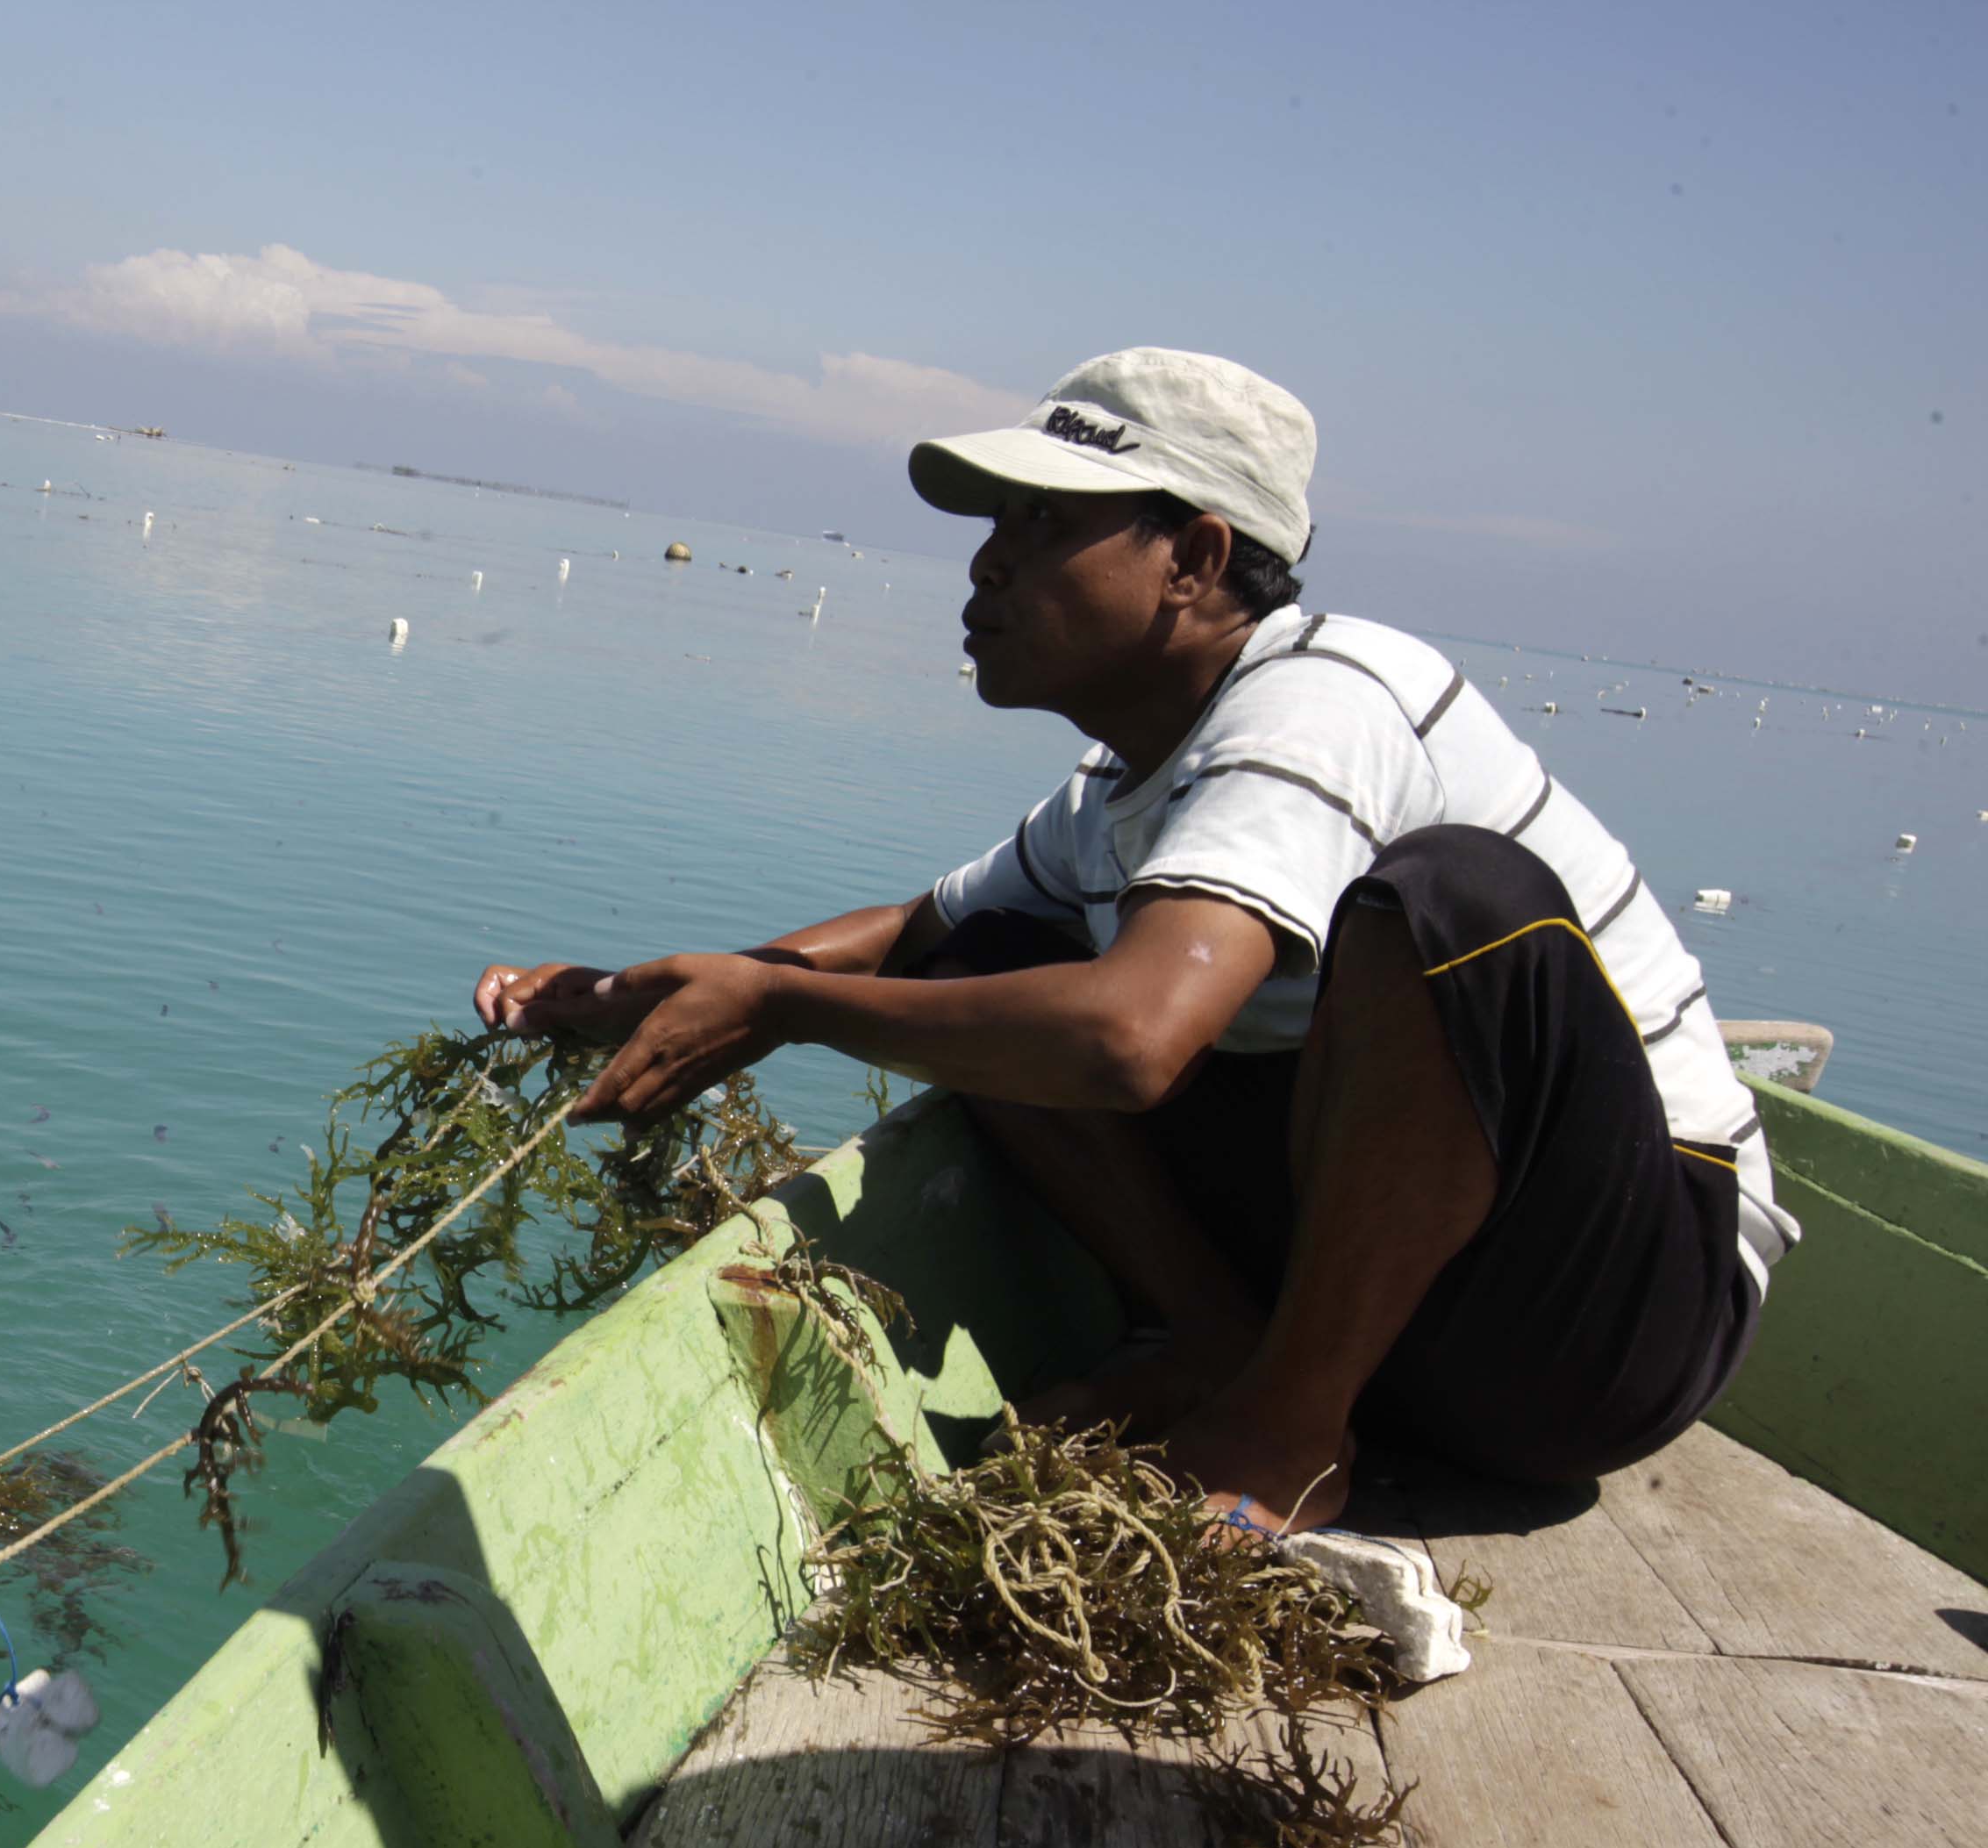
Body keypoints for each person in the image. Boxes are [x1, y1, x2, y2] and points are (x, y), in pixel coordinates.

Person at [472, 348, 1793, 1533]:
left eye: (1044, 527)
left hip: (1599, 1332)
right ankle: (1222, 1353)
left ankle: (1284, 1428)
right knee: (980, 952)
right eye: (997, 525)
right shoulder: (1128, 779)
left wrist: (779, 1009)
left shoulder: (1326, 699)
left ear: (1197, 559)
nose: (988, 563)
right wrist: (639, 991)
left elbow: (1131, 1040)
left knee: (1454, 903)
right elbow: (910, 932)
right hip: (1419, 1324)